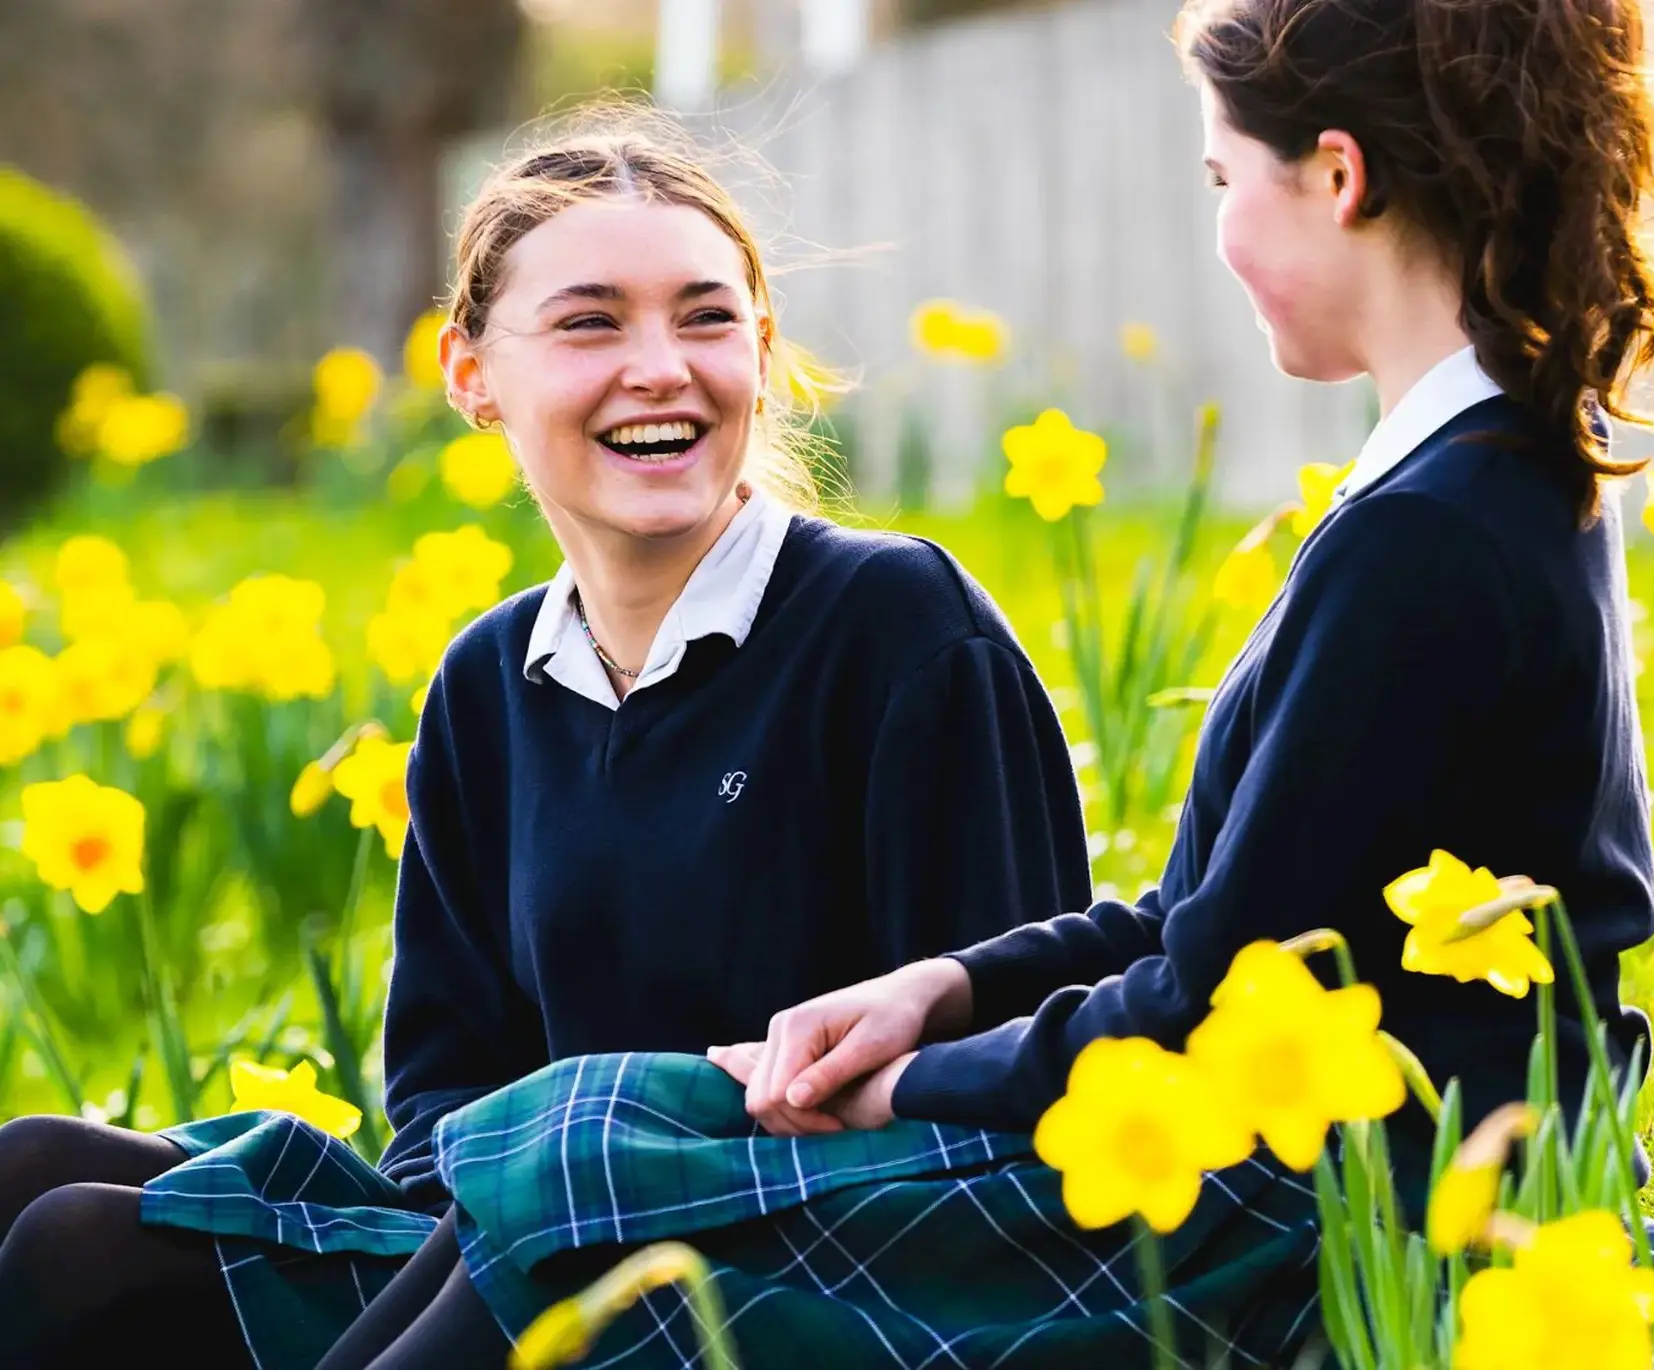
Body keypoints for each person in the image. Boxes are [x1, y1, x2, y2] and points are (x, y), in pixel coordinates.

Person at [344, 0, 1654, 1361]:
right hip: (1309, 1176)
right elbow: (1220, 923)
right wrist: (941, 990)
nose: (1221, 230)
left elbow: (1209, 997)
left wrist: (904, 1080)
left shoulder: (1435, 533)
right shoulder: (1457, 494)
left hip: (1336, 1225)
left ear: (1336, 176)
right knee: (540, 1161)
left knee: (594, 1170)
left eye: (1220, 177)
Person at [0, 119, 1092, 1370]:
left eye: (705, 318)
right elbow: (441, 1095)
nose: (659, 368)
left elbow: (1000, 1087)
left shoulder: (898, 628)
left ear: (764, 352)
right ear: (471, 373)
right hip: (519, 1237)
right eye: (590, 323)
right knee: (40, 1188)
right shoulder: (486, 682)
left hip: (800, 1269)